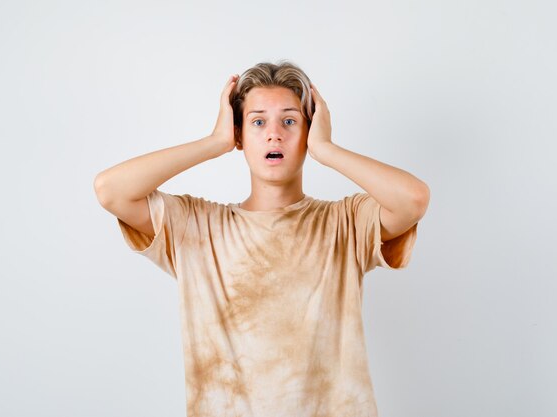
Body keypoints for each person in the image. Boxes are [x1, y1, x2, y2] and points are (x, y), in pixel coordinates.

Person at [94, 60, 430, 417]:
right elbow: (111, 190)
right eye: (258, 122)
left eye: (289, 121)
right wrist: (215, 142)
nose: (274, 134)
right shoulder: (197, 227)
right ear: (239, 134)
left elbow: (413, 199)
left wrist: (327, 150)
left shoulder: (344, 223)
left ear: (309, 131)